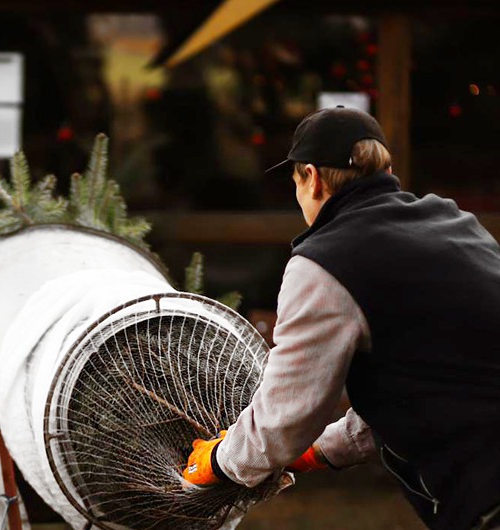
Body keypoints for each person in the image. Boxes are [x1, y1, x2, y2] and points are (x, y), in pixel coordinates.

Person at [182, 106, 500, 530]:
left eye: (295, 182)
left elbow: (284, 412)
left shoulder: (325, 262)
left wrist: (219, 463)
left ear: (311, 177)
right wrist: (322, 450)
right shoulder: (452, 222)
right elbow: (425, 378)